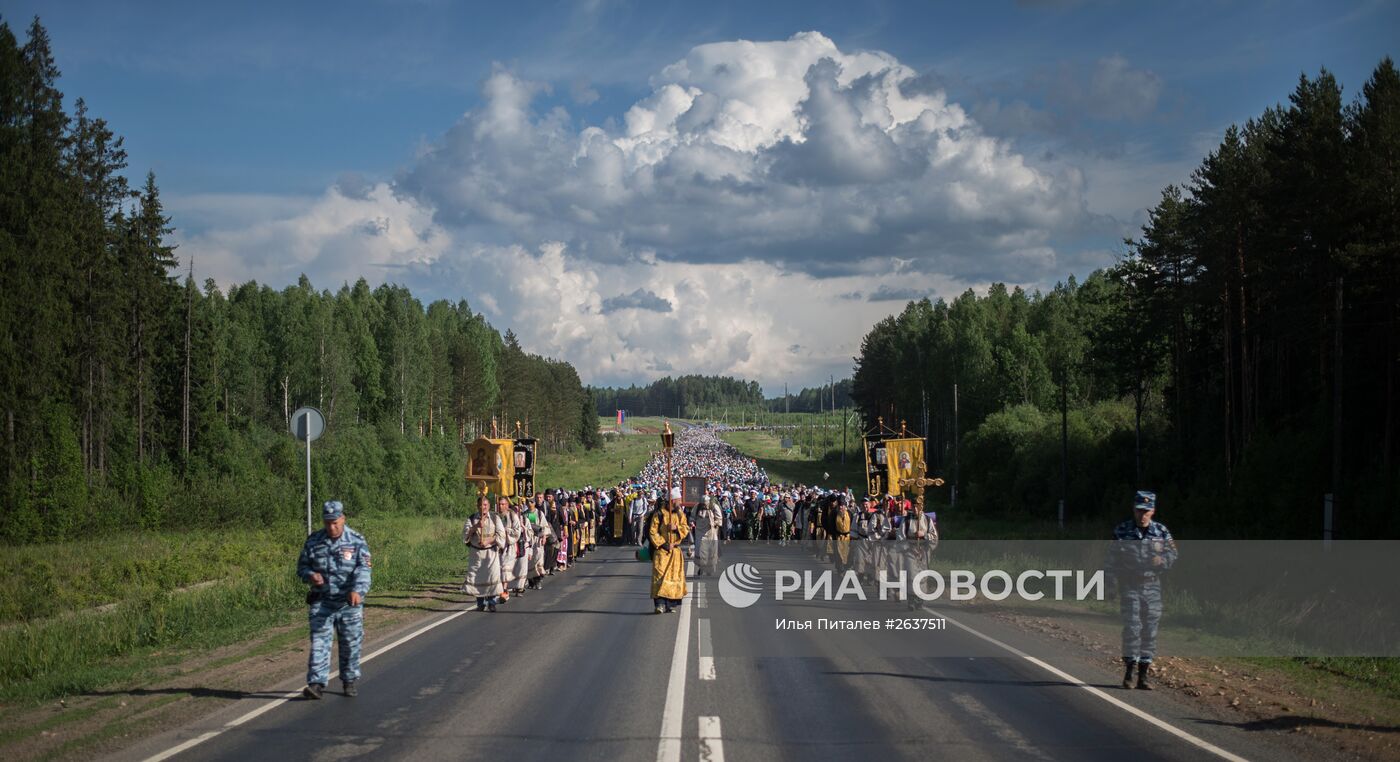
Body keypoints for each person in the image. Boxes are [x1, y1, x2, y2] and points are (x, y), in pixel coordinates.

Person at [297, 500, 372, 699]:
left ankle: (349, 681)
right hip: (322, 601)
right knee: (320, 642)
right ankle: (316, 684)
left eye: (335, 522)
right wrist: (310, 575)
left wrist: (358, 590)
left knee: (350, 642)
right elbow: (302, 567)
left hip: (348, 603)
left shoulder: (356, 540)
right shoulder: (314, 541)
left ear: (343, 518)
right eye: (327, 522)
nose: (331, 527)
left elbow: (364, 569)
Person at [1108, 490, 1177, 690]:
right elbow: (1111, 561)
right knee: (1132, 628)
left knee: (1150, 630)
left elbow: (1173, 554)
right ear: (1134, 509)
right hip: (1129, 585)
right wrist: (1110, 585)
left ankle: (1144, 675)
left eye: (1146, 510)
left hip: (1152, 586)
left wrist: (1162, 560)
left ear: (1153, 511)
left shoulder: (1161, 532)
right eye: (1139, 510)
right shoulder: (1122, 531)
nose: (1142, 514)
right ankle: (1129, 671)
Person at [462, 495, 505, 612]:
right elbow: (465, 536)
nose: (483, 507)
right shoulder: (471, 519)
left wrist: (488, 541)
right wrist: (476, 526)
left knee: (492, 576)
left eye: (485, 505)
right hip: (476, 554)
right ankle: (480, 603)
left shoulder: (495, 518)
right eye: (481, 505)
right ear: (477, 506)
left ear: (489, 506)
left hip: (491, 553)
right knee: (477, 578)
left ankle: (492, 602)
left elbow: (501, 535)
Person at [649, 497, 690, 613]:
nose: (680, 503)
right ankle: (660, 604)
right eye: (678, 500)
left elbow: (686, 528)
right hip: (662, 551)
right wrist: (663, 544)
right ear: (672, 501)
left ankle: (670, 603)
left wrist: (676, 528)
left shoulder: (680, 513)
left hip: (675, 552)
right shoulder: (659, 513)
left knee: (673, 577)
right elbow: (653, 531)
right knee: (660, 576)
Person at [694, 495, 722, 576]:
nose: (704, 505)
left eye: (705, 503)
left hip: (710, 532)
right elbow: (692, 516)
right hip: (700, 532)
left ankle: (709, 568)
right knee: (700, 550)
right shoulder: (697, 507)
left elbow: (719, 519)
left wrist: (714, 523)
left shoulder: (714, 507)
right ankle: (701, 567)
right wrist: (692, 522)